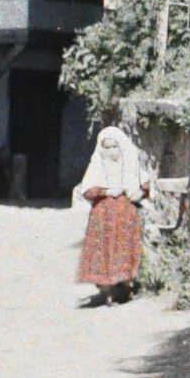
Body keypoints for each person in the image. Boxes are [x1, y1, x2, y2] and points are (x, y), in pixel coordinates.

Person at [73, 125, 150, 305]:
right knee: (104, 249)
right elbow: (87, 190)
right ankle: (106, 290)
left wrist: (137, 192)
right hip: (102, 215)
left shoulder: (130, 164)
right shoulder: (97, 166)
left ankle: (124, 285)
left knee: (122, 247)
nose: (111, 151)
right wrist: (107, 191)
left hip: (125, 214)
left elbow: (145, 185)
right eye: (106, 147)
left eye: (114, 146)